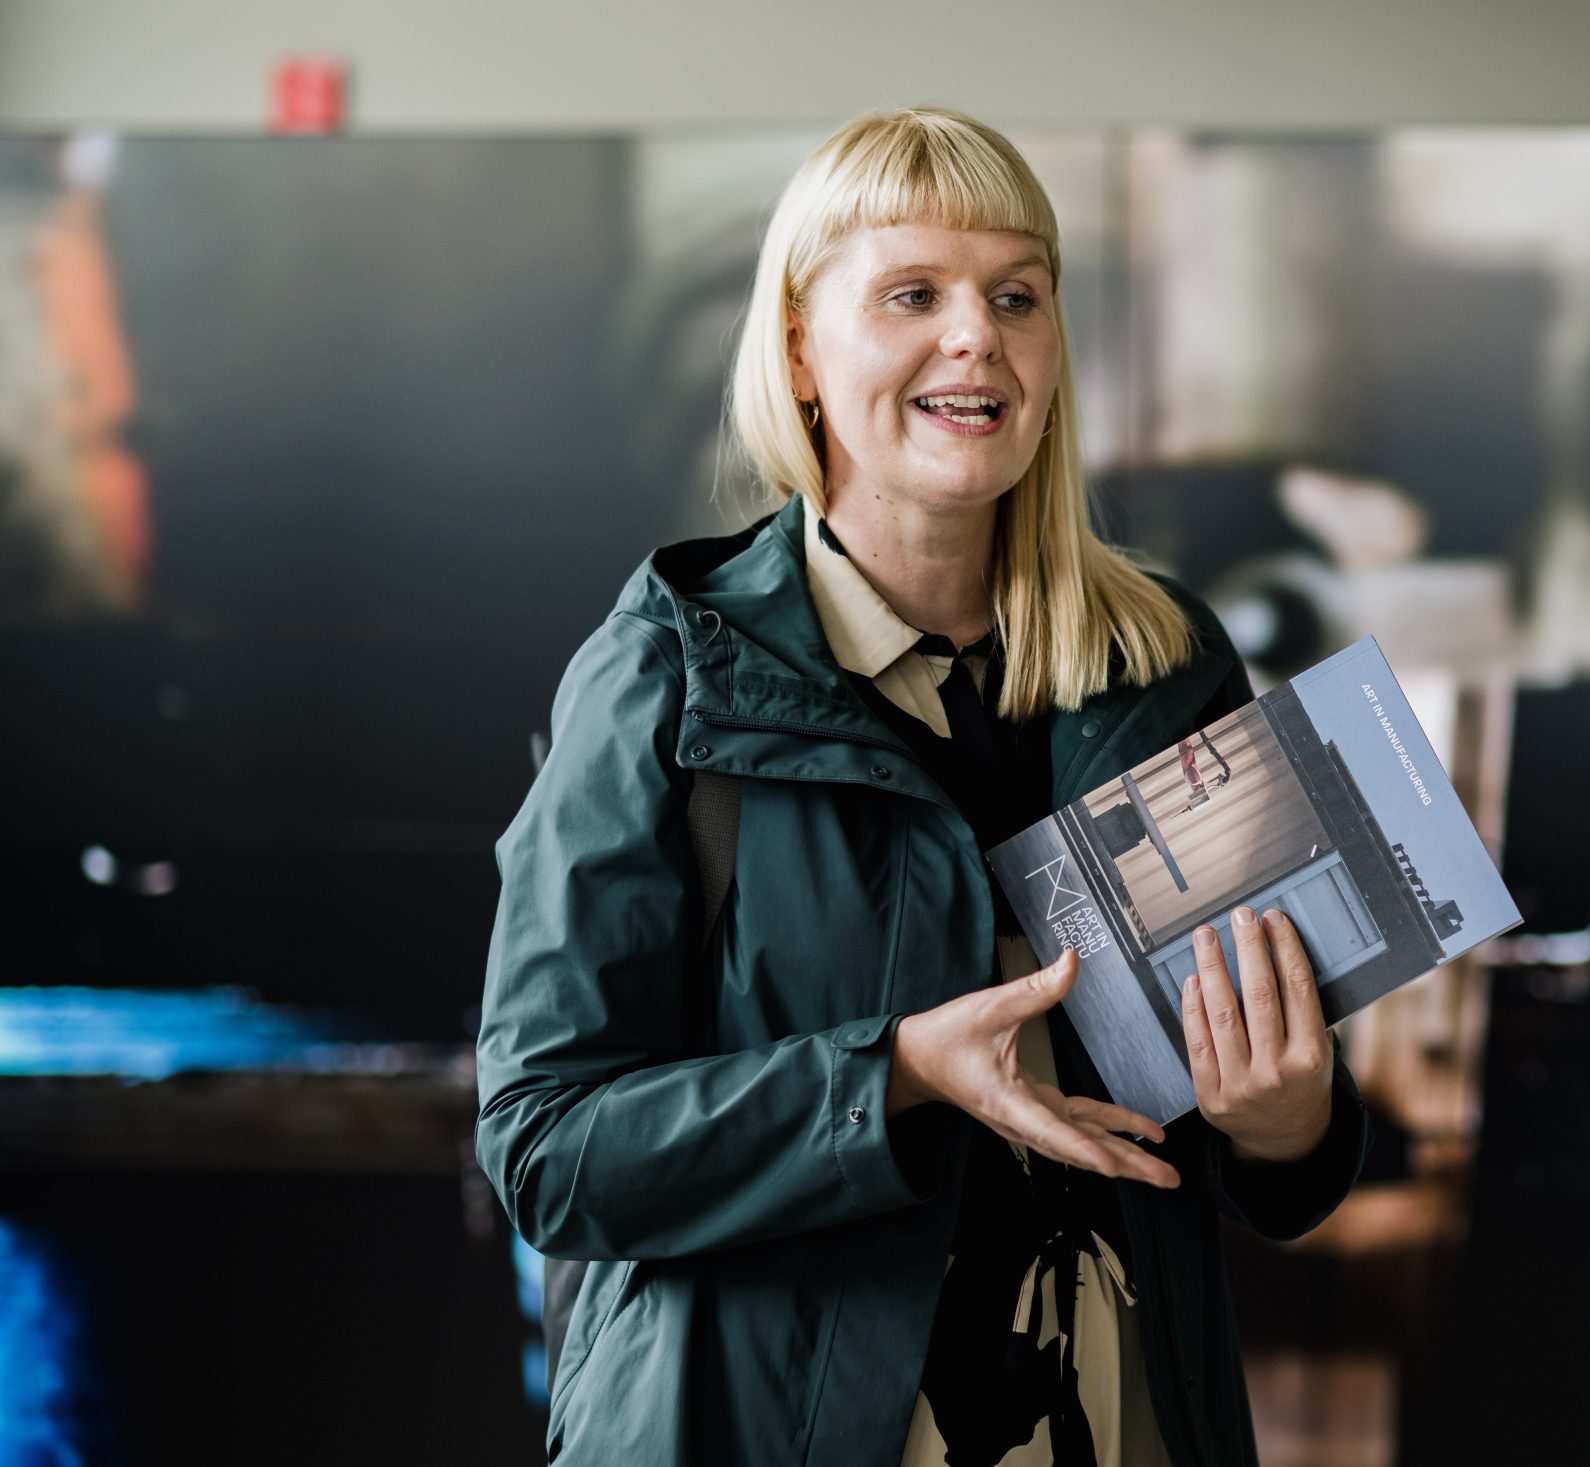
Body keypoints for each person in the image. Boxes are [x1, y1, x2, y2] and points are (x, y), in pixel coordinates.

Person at [474, 106, 1371, 1467]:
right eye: (914, 293)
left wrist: (1290, 1117)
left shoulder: (1168, 663)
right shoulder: (662, 677)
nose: (978, 336)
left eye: (1019, 295)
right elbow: (549, 1152)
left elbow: (1270, 1164)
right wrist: (892, 1075)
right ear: (799, 349)